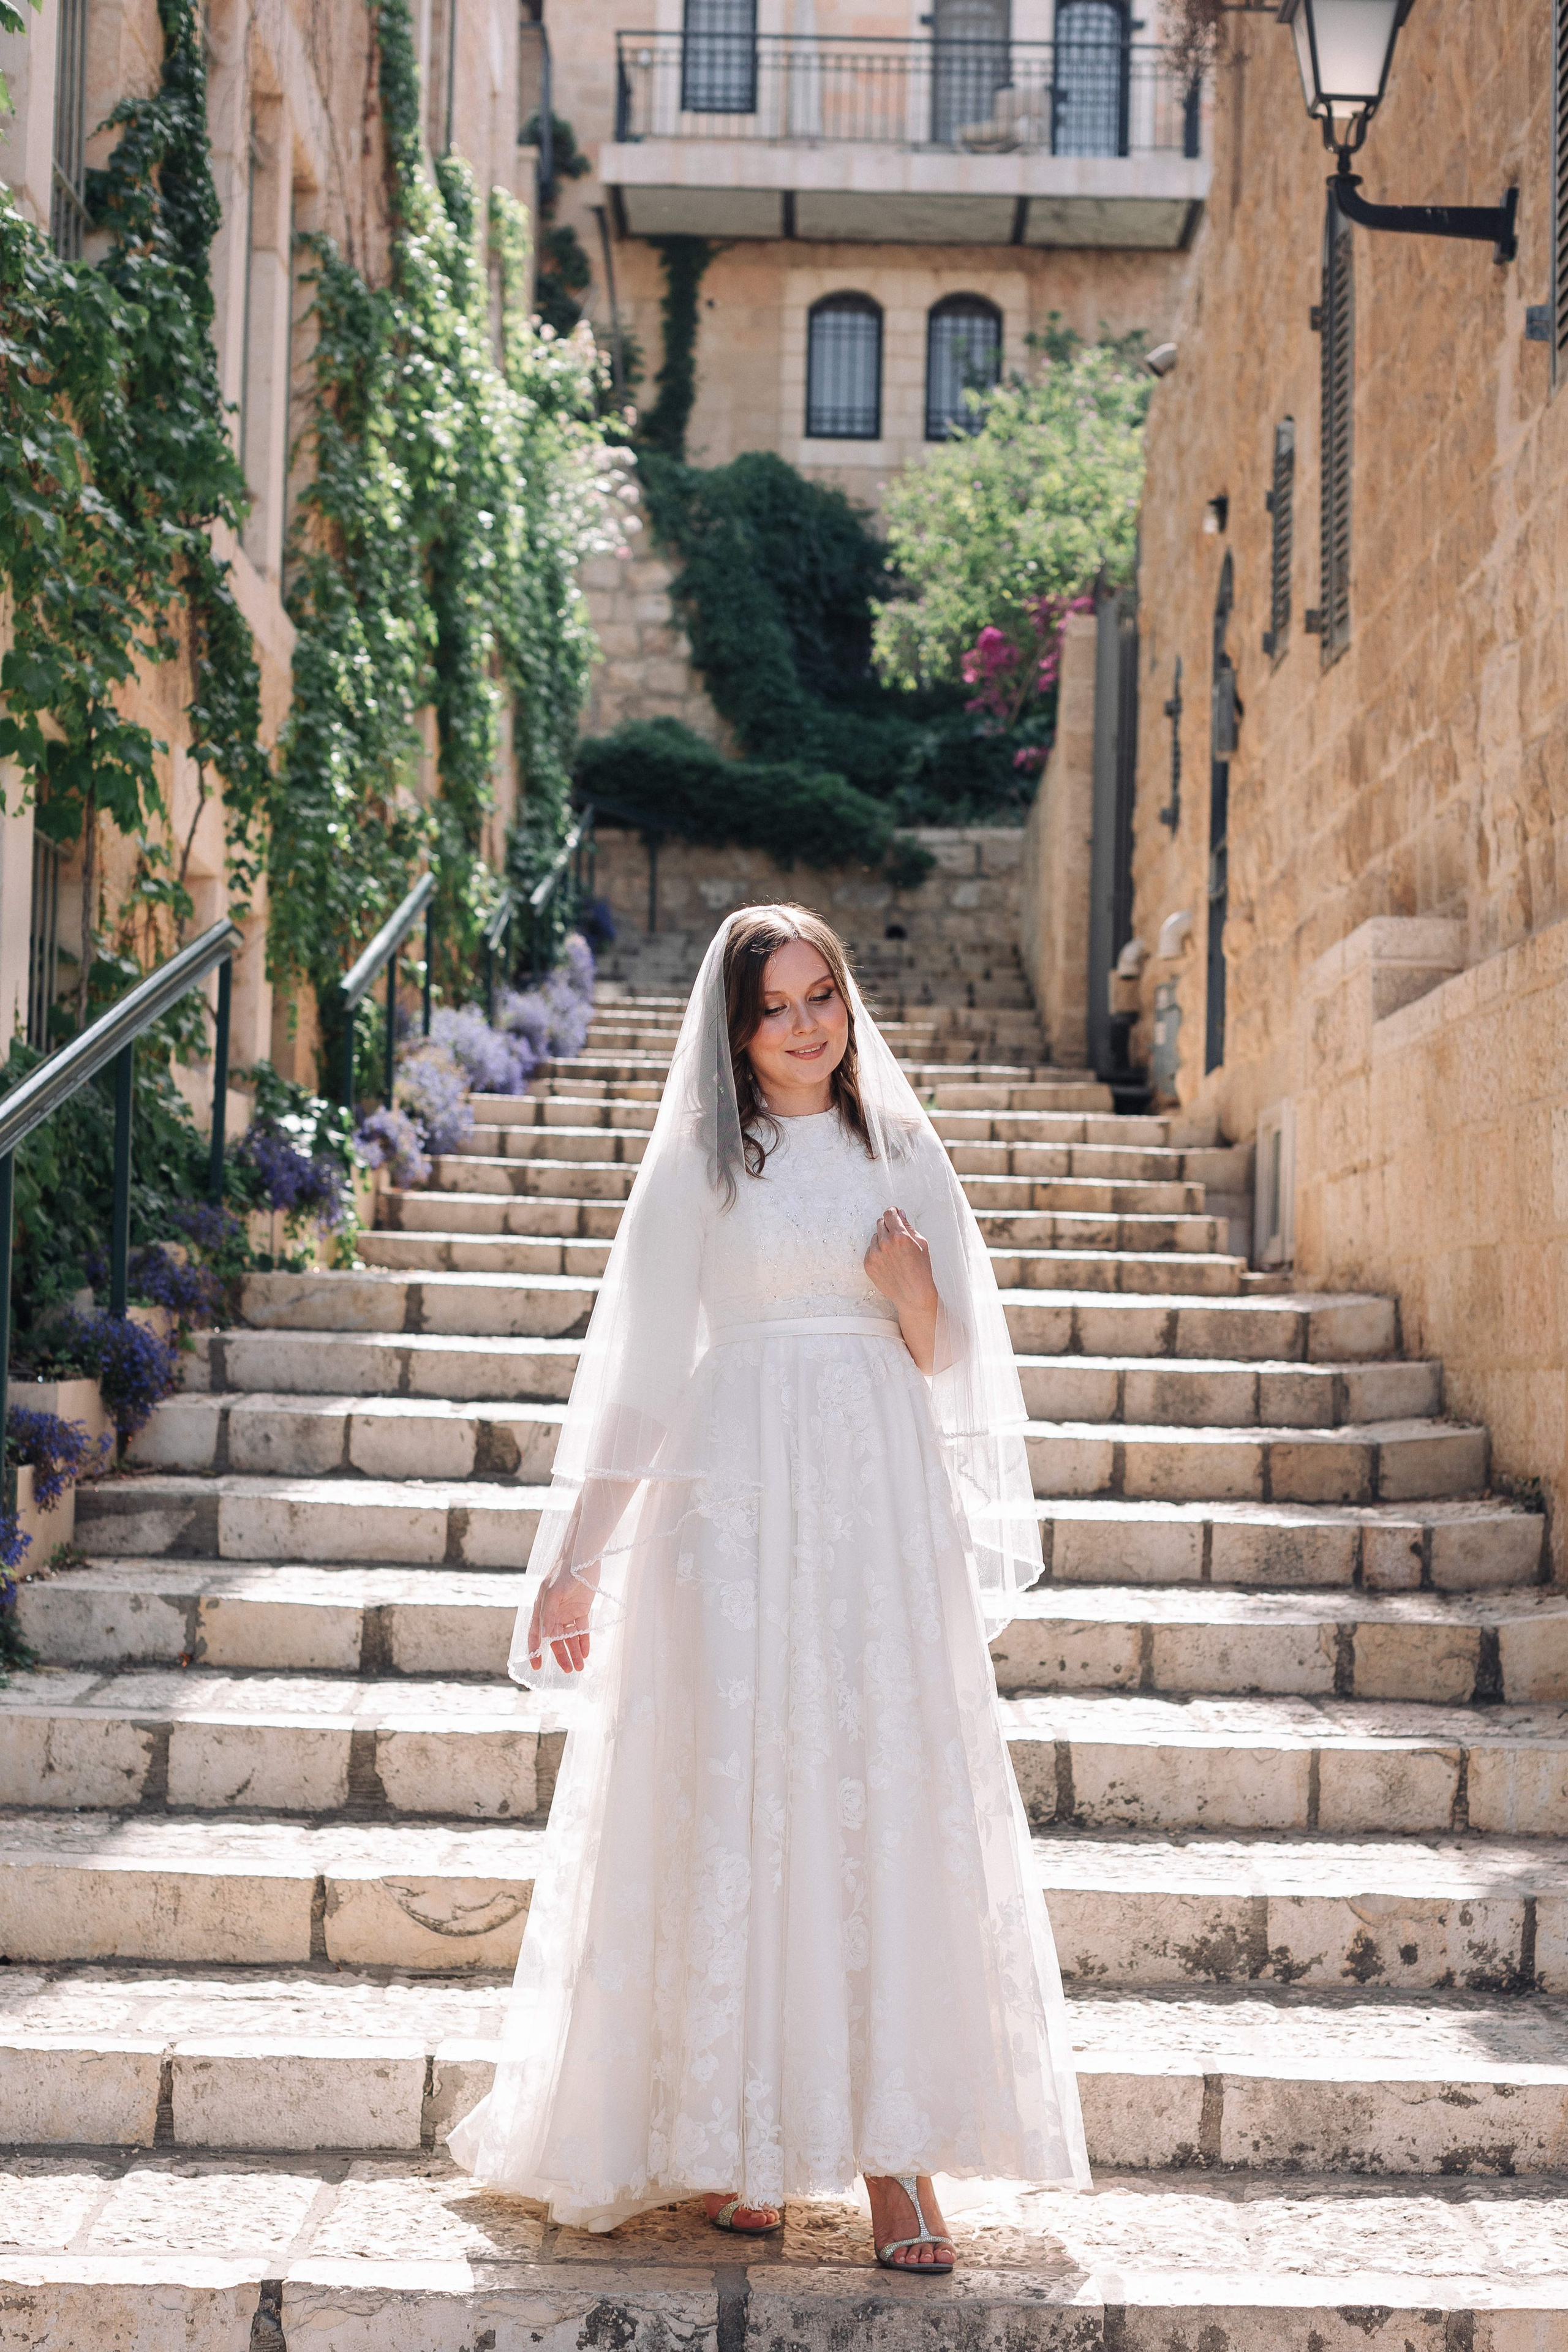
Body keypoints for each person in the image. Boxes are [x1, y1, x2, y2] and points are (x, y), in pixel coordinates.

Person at [448, 905, 1089, 2267]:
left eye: (822, 996)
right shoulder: (697, 1170)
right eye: (777, 1007)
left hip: (875, 1510)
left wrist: (908, 1285)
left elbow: (945, 1357)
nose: (807, 1025)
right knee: (734, 1793)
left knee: (883, 1800)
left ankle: (899, 2173)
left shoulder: (900, 1148)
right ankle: (732, 2143)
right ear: (735, 1033)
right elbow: (640, 1384)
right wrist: (576, 1559)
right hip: (730, 1509)